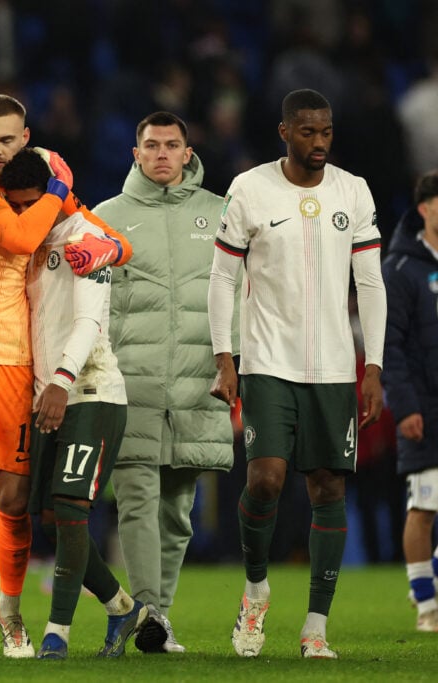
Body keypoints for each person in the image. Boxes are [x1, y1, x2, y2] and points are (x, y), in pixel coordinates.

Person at [0, 93, 121, 660]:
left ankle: (10, 615)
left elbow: (109, 239)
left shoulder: (30, 186)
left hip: (15, 365)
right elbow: (16, 238)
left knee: (12, 502)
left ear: (25, 139)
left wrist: (106, 246)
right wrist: (59, 189)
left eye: (7, 140)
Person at [207, 88, 386, 659]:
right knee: (264, 479)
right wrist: (224, 356)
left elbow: (371, 284)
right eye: (308, 132)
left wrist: (374, 365)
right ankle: (255, 591)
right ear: (285, 132)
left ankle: (315, 628)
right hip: (267, 361)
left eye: (326, 132)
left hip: (334, 367)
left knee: (328, 487)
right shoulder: (250, 189)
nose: (319, 143)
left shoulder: (352, 191)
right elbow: (222, 279)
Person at [0, 147, 158, 660]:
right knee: (46, 517)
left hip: (89, 392)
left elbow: (90, 320)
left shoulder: (87, 239)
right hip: (48, 396)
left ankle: (57, 635)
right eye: (15, 207)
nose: (23, 216)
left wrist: (62, 380)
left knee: (69, 512)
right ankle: (120, 606)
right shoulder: (26, 246)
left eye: (29, 205)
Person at [84, 111, 235, 653]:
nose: (163, 154)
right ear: (136, 154)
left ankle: (156, 620)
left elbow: (240, 294)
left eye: (173, 145)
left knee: (177, 511)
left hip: (198, 383)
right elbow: (88, 304)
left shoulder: (221, 214)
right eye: (153, 145)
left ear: (188, 153)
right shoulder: (106, 218)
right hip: (132, 385)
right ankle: (147, 611)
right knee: (137, 500)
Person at [381, 170, 438, 633]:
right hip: (424, 406)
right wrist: (405, 406)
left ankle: (429, 581)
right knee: (425, 505)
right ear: (426, 209)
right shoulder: (400, 270)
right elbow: (390, 345)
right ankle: (427, 606)